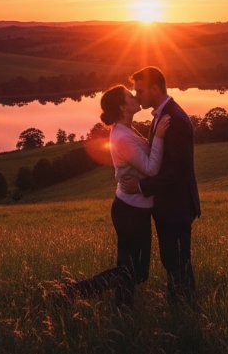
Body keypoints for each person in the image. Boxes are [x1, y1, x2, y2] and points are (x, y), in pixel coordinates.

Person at [62, 84, 170, 306]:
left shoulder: (127, 130)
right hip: (130, 210)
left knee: (131, 269)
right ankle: (74, 292)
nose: (135, 96)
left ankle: (122, 308)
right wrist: (158, 136)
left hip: (132, 207)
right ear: (123, 107)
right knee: (134, 271)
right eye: (130, 95)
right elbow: (150, 169)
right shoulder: (121, 136)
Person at [119, 66, 200, 307]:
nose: (138, 96)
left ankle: (186, 311)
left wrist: (141, 186)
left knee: (178, 262)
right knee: (172, 261)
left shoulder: (175, 119)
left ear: (155, 88)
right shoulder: (162, 116)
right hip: (169, 206)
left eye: (141, 91)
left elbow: (177, 172)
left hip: (177, 207)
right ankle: (179, 309)